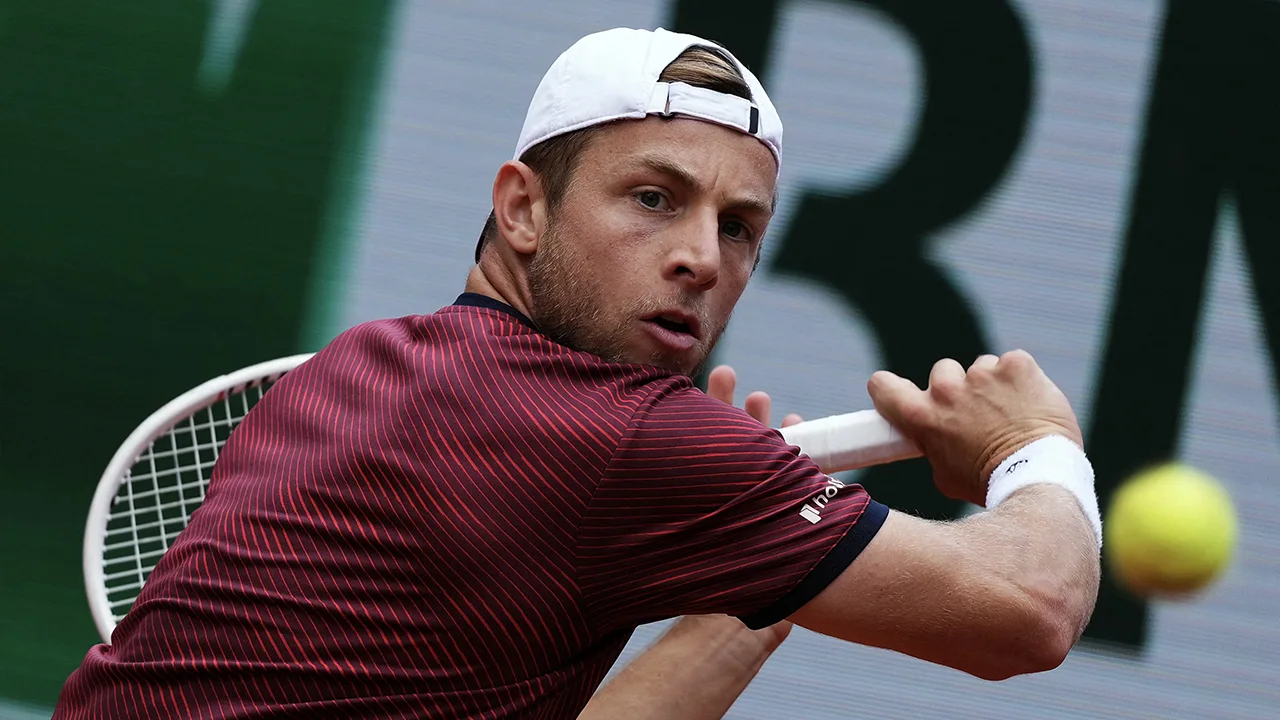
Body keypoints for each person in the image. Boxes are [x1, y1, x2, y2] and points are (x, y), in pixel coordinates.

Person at [54, 26, 1102, 719]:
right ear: (521, 207)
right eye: (653, 197)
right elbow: (1027, 610)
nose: (701, 255)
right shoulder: (617, 436)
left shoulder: (349, 369)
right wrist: (1032, 448)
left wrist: (759, 577)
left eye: (738, 227)